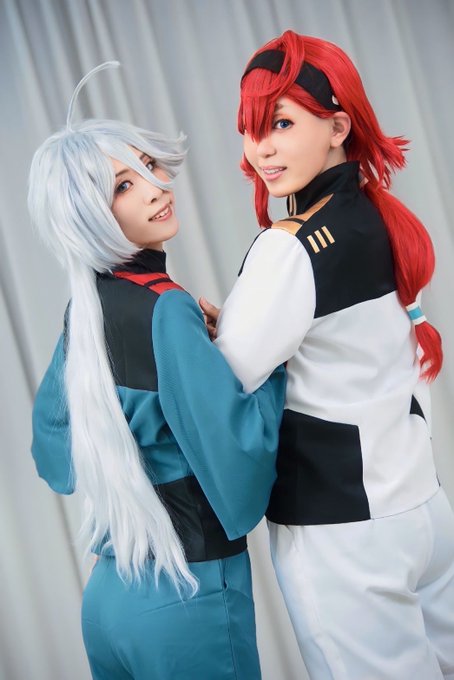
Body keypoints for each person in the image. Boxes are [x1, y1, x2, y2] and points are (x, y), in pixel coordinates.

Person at [200, 30, 454, 680]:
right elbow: (342, 345)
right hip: (421, 508)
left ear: (338, 126)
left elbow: (222, 385)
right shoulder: (378, 216)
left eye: (281, 123)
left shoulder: (292, 246)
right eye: (251, 127)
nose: (260, 147)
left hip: (346, 529)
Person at [29, 61, 286, 680]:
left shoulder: (84, 310)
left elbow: (54, 456)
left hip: (109, 599)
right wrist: (273, 357)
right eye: (123, 184)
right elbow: (239, 472)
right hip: (187, 593)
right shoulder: (167, 307)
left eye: (147, 165)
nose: (153, 186)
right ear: (87, 211)